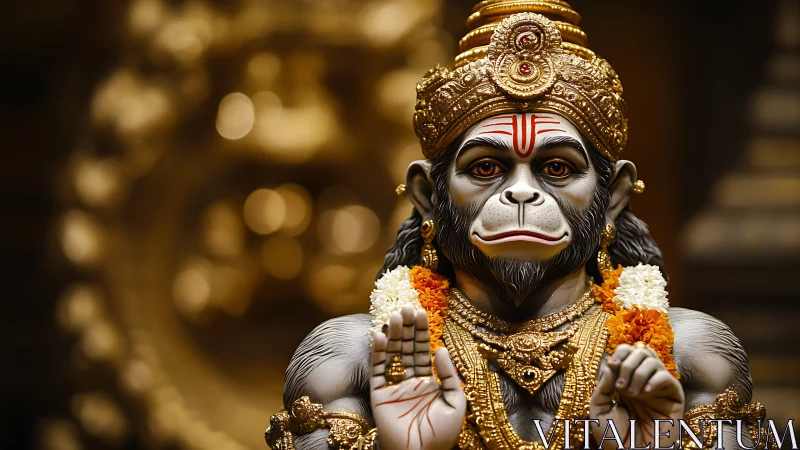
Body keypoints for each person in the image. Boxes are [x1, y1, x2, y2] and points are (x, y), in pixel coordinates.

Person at [265, 2, 770, 449]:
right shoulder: (353, 360)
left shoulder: (688, 354)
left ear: (612, 196)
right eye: (486, 167)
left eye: (557, 168)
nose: (523, 192)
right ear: (427, 195)